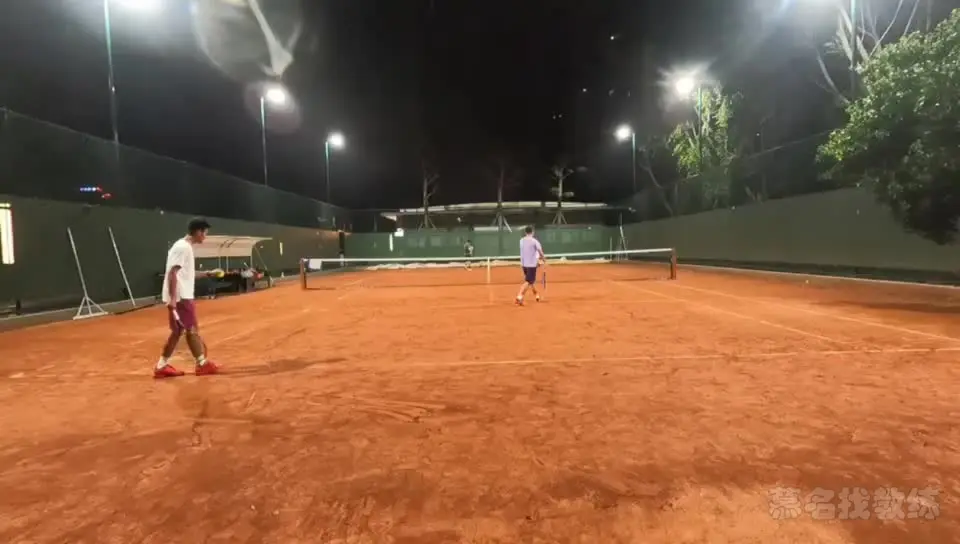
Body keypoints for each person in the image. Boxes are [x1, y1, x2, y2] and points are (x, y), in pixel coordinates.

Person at [154, 218, 222, 378]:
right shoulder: (183, 247)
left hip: (180, 296)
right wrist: (173, 299)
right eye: (205, 233)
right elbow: (172, 273)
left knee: (178, 331)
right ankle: (202, 364)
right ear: (198, 231)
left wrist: (208, 273)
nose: (205, 236)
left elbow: (186, 274)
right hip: (181, 297)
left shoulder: (183, 247)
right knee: (191, 330)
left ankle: (161, 366)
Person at [516, 226, 544, 305]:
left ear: (525, 232)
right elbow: (539, 251)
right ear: (533, 232)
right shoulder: (535, 241)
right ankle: (519, 296)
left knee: (530, 281)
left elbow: (527, 252)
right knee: (528, 281)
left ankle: (536, 294)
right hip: (531, 265)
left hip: (524, 265)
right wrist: (543, 259)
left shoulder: (521, 241)